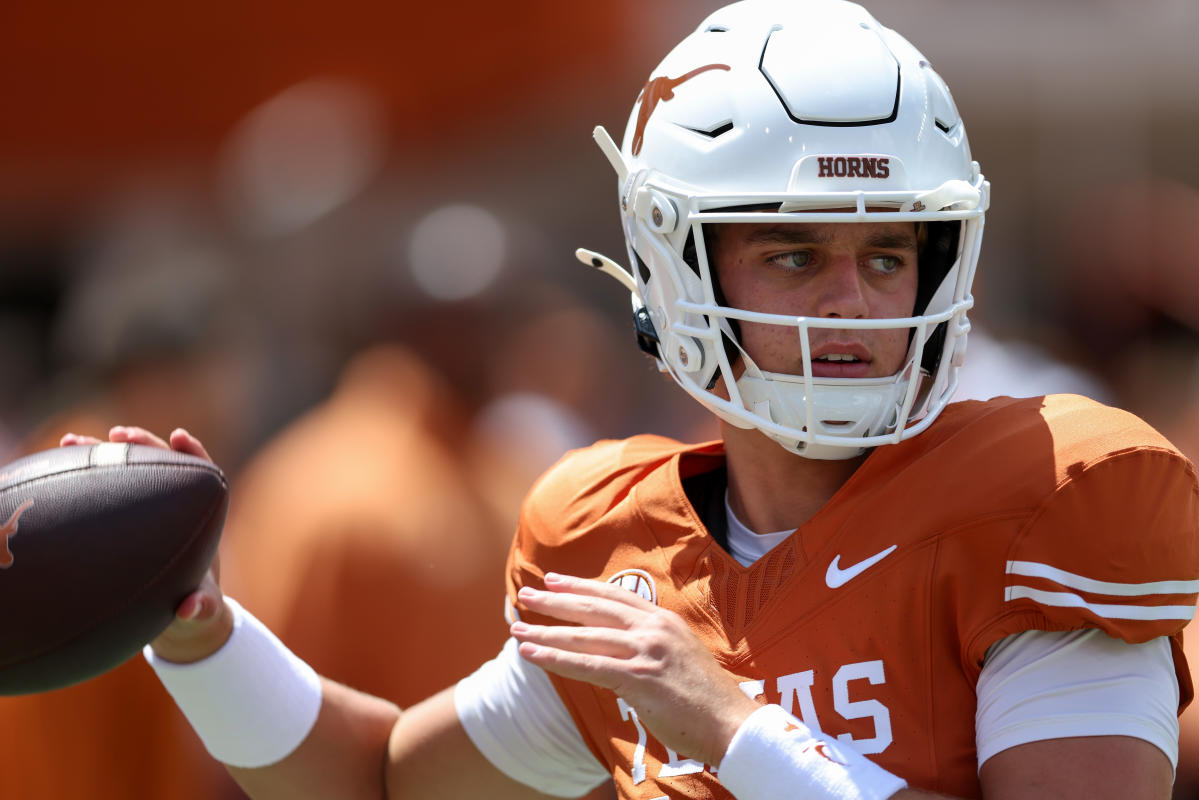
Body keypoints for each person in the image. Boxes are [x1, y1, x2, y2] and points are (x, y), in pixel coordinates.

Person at [63, 1, 1199, 798]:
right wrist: (201, 631)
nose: (853, 301)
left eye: (889, 255)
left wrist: (732, 727)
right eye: (794, 256)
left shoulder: (1048, 495)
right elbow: (372, 781)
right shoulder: (621, 545)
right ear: (676, 269)